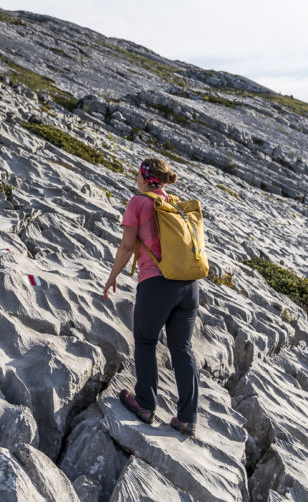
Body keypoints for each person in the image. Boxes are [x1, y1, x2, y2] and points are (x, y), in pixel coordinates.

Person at [101, 156, 200, 436]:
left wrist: (112, 277)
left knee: (145, 341)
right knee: (182, 348)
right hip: (189, 286)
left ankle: (144, 403)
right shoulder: (174, 204)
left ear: (145, 178)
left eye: (138, 175)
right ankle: (187, 417)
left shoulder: (139, 202)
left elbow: (127, 245)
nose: (136, 179)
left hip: (157, 283)